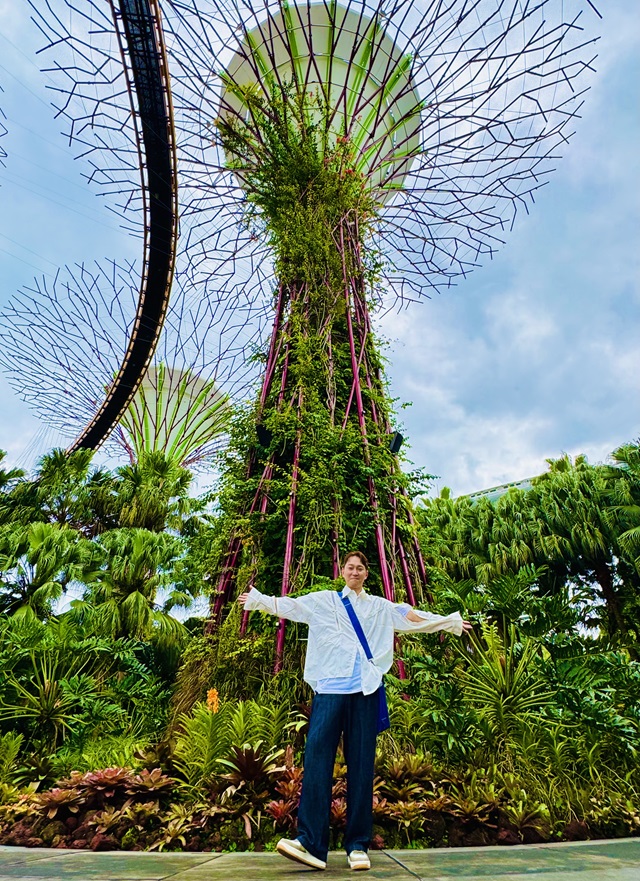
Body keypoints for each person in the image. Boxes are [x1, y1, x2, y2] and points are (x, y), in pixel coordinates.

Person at [239, 551, 472, 871]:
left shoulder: (379, 606)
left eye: (360, 568)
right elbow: (291, 606)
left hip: (365, 692)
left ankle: (358, 846)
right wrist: (259, 600)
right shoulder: (324, 601)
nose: (355, 572)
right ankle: (310, 843)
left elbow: (410, 616)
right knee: (316, 761)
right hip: (329, 692)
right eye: (350, 567)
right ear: (343, 571)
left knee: (361, 766)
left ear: (366, 574)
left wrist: (449, 621)